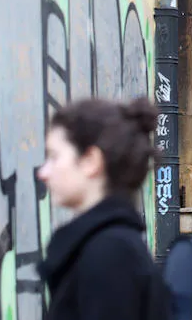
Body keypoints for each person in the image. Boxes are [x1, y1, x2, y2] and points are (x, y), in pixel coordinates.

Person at [36, 97, 170, 320]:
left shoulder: (111, 255)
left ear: (90, 161)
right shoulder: (108, 246)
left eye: (54, 157)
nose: (43, 172)